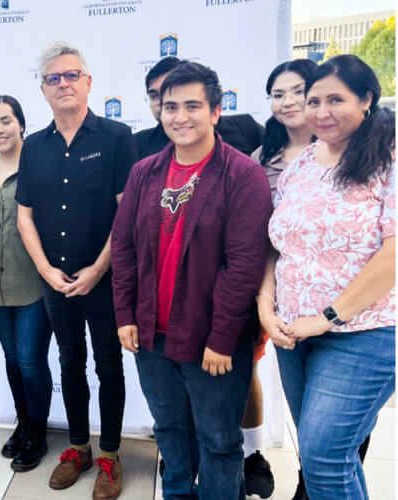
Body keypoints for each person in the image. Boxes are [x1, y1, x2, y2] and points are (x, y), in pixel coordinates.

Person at [111, 61, 272, 499]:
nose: (180, 117)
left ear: (216, 111)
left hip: (212, 343)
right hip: (151, 336)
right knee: (170, 431)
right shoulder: (144, 172)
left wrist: (221, 339)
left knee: (219, 442)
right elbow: (123, 247)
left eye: (192, 106)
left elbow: (243, 267)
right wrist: (125, 313)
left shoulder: (242, 175)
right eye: (169, 107)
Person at [262, 54, 395, 499]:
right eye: (313, 100)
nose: (321, 112)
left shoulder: (389, 156)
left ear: (366, 100)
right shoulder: (303, 162)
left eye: (335, 99)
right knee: (327, 460)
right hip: (294, 333)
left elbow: (394, 252)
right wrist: (266, 304)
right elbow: (277, 241)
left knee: (323, 457)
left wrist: (327, 317)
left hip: (363, 332)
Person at [15, 42, 134, 500]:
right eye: (52, 79)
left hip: (104, 281)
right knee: (69, 363)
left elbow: (125, 215)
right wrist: (45, 269)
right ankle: (79, 447)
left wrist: (99, 268)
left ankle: (110, 454)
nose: (62, 84)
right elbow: (24, 215)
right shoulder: (34, 148)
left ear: (88, 82)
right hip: (55, 282)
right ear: (43, 91)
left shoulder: (117, 137)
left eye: (71, 75)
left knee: (108, 365)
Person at [248, 58, 317, 500]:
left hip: (346, 307)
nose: (289, 101)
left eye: (299, 91)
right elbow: (263, 236)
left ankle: (316, 483)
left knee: (333, 421)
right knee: (303, 408)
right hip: (280, 298)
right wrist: (263, 296)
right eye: (279, 93)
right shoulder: (261, 158)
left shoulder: (354, 152)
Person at [0, 95, 52, 472]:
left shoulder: (39, 163)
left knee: (30, 359)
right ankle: (23, 424)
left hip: (35, 283)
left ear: (21, 123)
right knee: (11, 359)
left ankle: (38, 432)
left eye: (6, 121)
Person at [133, 56, 263, 159]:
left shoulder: (245, 127)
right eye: (154, 96)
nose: (163, 101)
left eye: (191, 106)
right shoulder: (137, 145)